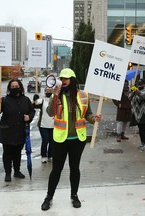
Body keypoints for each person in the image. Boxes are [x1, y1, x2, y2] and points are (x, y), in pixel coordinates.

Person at [41, 68, 101, 211]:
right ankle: (49, 197)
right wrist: (55, 97)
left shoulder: (83, 96)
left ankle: (74, 195)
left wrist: (94, 119)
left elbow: (88, 115)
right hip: (60, 139)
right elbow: (50, 113)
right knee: (56, 169)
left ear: (72, 80)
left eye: (66, 78)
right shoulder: (57, 95)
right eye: (62, 78)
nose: (64, 81)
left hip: (77, 139)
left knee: (75, 169)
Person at [0, 78, 36, 182]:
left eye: (16, 87)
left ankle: (17, 171)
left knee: (17, 153)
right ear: (9, 88)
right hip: (7, 132)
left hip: (20, 131)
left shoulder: (25, 100)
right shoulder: (5, 100)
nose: (15, 88)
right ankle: (8, 173)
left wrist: (29, 117)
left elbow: (32, 111)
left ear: (20, 88)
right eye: (12, 87)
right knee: (7, 153)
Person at [129, 79, 145, 151]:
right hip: (137, 114)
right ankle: (142, 143)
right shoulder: (136, 91)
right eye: (139, 84)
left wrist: (138, 92)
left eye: (141, 84)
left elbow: (144, 97)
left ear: (144, 84)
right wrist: (133, 92)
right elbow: (129, 98)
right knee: (140, 129)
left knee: (143, 129)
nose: (140, 86)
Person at [33, 87, 54, 163]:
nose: (48, 92)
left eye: (50, 91)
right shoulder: (42, 101)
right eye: (47, 90)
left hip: (53, 125)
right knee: (45, 140)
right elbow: (34, 104)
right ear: (45, 92)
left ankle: (50, 155)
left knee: (52, 141)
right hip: (43, 125)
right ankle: (43, 156)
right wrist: (35, 99)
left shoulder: (55, 100)